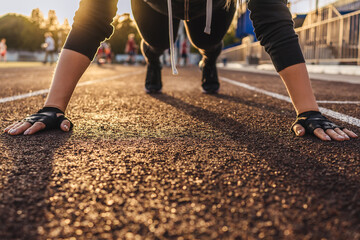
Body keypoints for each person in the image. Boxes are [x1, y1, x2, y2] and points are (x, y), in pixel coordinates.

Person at [3, 0, 358, 142]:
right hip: (154, 5)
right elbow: (93, 17)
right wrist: (53, 106)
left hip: (213, 6)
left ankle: (210, 60)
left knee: (208, 42)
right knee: (156, 41)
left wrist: (309, 112)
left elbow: (272, 19)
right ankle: (154, 59)